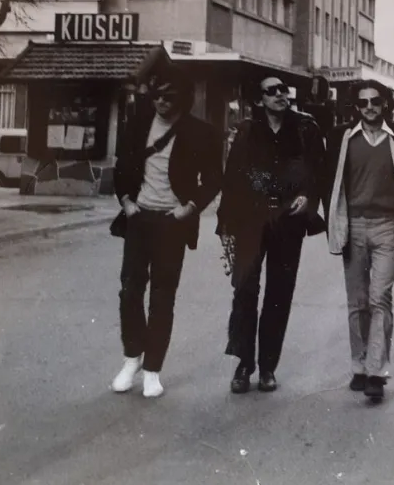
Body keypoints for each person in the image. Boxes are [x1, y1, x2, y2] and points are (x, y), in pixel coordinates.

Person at [111, 66, 223, 398]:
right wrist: (127, 201)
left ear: (184, 99)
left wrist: (188, 209)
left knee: (162, 296)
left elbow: (215, 179)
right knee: (130, 290)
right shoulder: (137, 125)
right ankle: (132, 358)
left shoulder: (202, 133)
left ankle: (152, 370)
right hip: (140, 217)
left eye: (169, 96)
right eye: (157, 94)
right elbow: (122, 165)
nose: (161, 101)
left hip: (171, 223)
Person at [217, 77, 327, 395]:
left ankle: (267, 367)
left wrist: (308, 197)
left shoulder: (306, 128)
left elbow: (320, 170)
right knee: (245, 292)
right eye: (272, 91)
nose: (280, 95)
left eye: (283, 90)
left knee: (279, 295)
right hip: (250, 221)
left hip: (288, 222)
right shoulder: (248, 131)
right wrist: (227, 227)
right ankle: (243, 364)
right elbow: (233, 176)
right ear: (260, 99)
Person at [322, 80, 394, 403]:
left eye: (376, 101)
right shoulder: (342, 138)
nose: (369, 107)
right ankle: (359, 365)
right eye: (363, 102)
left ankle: (376, 373)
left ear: (385, 105)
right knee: (358, 301)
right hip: (353, 225)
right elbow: (329, 181)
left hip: (386, 227)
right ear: (356, 107)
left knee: (380, 297)